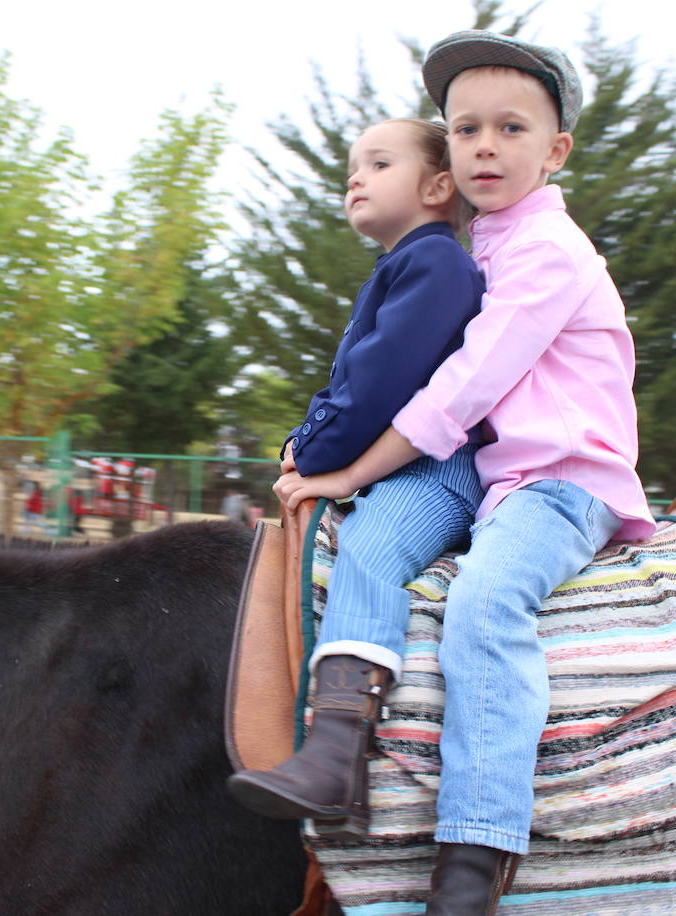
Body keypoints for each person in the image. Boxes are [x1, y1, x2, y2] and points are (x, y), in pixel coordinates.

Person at [269, 32, 656, 914]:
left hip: (559, 479)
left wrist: (348, 467)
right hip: (485, 474)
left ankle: (473, 857)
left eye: (512, 128)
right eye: (466, 128)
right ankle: (337, 754)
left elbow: (463, 385)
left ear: (555, 151)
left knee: (486, 604)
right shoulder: (472, 246)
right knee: (367, 541)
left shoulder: (550, 254)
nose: (486, 145)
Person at [226, 117, 486, 845]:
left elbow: (380, 382)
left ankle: (337, 754)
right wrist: (302, 444)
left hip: (438, 465)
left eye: (378, 163)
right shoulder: (403, 266)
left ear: (439, 187)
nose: (356, 178)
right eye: (351, 168)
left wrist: (310, 453)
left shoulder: (439, 267)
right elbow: (356, 385)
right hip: (398, 456)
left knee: (370, 546)